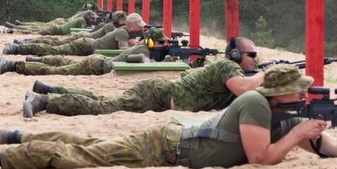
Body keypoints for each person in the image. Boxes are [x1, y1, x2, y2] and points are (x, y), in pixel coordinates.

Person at [0, 64, 337, 169]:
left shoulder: (286, 114)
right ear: (283, 94)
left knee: (87, 143)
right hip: (171, 147)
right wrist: (298, 135)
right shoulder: (258, 107)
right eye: (301, 90)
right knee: (87, 156)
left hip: (178, 141)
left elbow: (331, 148)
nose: (306, 94)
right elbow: (260, 158)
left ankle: (19, 133)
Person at [21, 36, 264, 118]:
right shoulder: (228, 69)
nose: (255, 58)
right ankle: (44, 101)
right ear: (235, 54)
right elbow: (242, 88)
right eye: (251, 54)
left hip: (159, 93)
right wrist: (265, 76)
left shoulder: (229, 68)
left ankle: (47, 89)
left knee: (104, 100)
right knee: (103, 107)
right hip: (157, 97)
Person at [0, 27, 175, 76]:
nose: (163, 45)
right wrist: (162, 62)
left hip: (97, 60)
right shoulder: (143, 48)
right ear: (152, 42)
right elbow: (138, 59)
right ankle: (12, 65)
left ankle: (31, 58)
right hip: (98, 64)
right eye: (161, 42)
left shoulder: (143, 45)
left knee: (61, 61)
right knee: (57, 69)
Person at [1, 12, 147, 57]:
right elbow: (123, 53)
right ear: (132, 25)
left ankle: (21, 45)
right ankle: (17, 48)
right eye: (138, 25)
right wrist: (138, 44)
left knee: (54, 47)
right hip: (86, 45)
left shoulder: (122, 32)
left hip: (87, 44)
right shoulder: (122, 33)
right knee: (54, 49)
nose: (139, 27)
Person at [11, 11, 126, 46]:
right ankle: (17, 31)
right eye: (92, 19)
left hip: (79, 36)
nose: (93, 20)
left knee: (52, 41)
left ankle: (20, 34)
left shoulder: (108, 25)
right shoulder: (109, 26)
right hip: (77, 35)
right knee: (39, 32)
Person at [9, 10, 98, 36]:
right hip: (57, 29)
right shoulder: (82, 21)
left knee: (35, 30)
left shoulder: (81, 19)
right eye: (92, 19)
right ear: (88, 17)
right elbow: (81, 31)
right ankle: (12, 29)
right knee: (34, 32)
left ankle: (14, 28)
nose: (93, 20)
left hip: (57, 28)